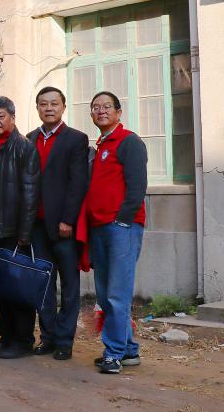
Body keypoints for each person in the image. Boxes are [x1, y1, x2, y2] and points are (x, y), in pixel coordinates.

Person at [84, 91, 147, 375]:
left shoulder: (129, 141)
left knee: (117, 293)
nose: (101, 111)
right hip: (99, 228)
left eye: (107, 106)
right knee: (106, 292)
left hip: (121, 228)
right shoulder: (100, 147)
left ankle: (113, 353)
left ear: (119, 112)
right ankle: (129, 349)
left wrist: (122, 221)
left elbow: (137, 186)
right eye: (96, 107)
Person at [25, 87, 89, 360]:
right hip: (36, 227)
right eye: (43, 104)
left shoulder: (76, 139)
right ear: (37, 108)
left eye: (54, 103)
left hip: (63, 227)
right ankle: (48, 337)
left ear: (63, 107)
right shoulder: (29, 139)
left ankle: (64, 340)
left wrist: (68, 220)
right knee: (43, 284)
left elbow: (78, 183)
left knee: (70, 287)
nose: (49, 108)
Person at [0, 96, 40, 359]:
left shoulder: (23, 147)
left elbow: (30, 194)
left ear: (12, 118)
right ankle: (6, 337)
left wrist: (24, 234)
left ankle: (23, 341)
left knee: (17, 289)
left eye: (1, 116)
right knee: (1, 287)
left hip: (12, 231)